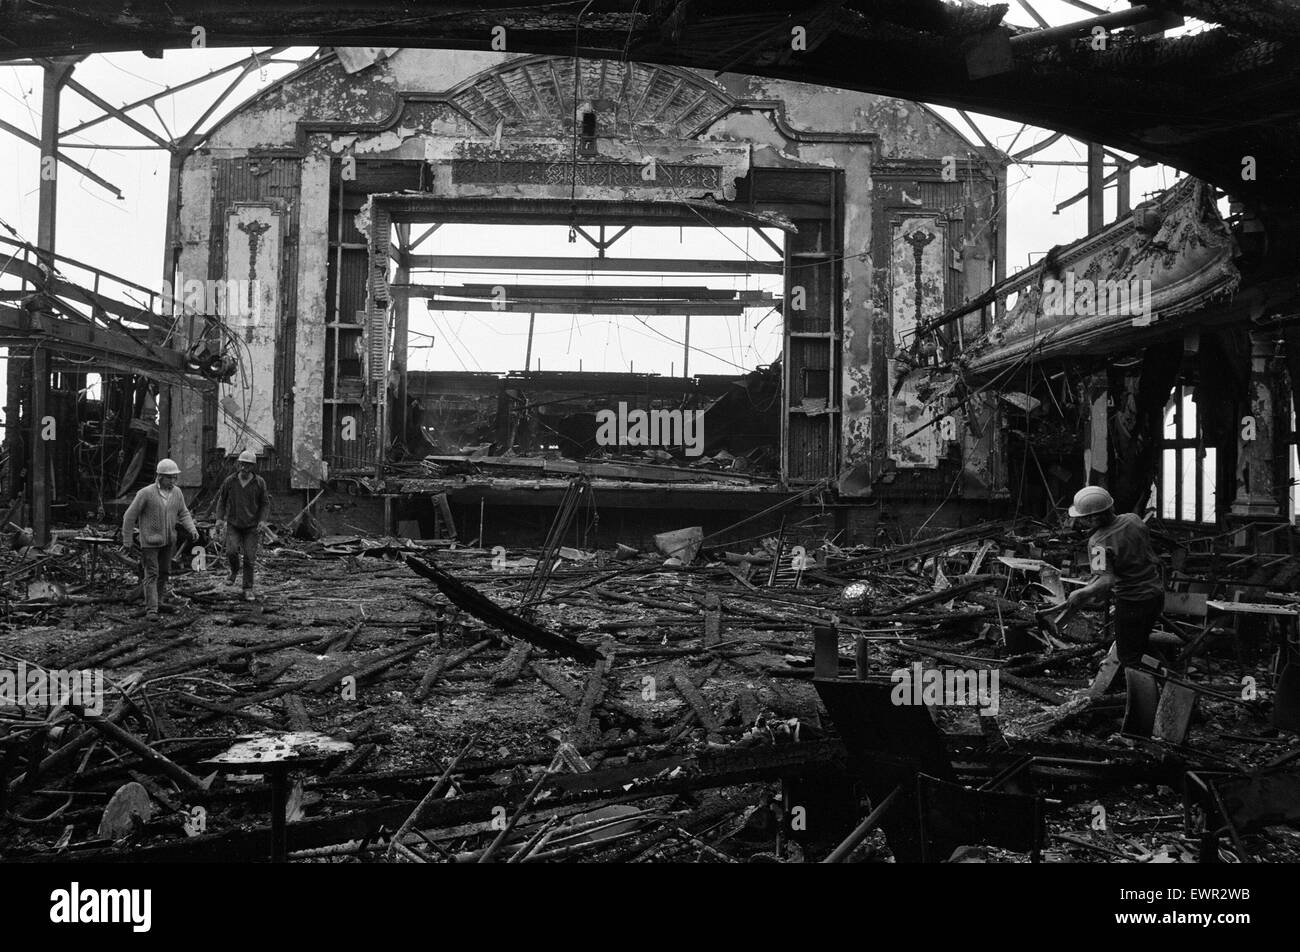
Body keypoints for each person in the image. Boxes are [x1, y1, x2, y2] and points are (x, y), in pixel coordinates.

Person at [1041, 485, 1165, 671]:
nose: (1082, 522)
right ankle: (1168, 673)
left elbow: (1107, 580)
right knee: (1141, 640)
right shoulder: (1134, 519)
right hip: (1156, 594)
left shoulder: (1098, 543)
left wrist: (1081, 592)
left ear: (1094, 517)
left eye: (1083, 518)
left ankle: (1142, 695)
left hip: (1133, 600)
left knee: (1128, 656)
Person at [122, 458, 198, 618]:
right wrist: (127, 540)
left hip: (169, 541)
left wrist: (192, 528)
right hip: (149, 542)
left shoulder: (176, 492)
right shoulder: (146, 493)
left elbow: (183, 512)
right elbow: (129, 516)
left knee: (164, 572)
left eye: (175, 477)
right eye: (170, 477)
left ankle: (158, 601)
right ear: (160, 476)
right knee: (151, 574)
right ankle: (151, 609)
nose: (173, 480)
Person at [215, 449, 270, 602]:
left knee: (250, 558)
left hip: (252, 526)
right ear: (238, 464)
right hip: (233, 524)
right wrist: (219, 518)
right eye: (242, 464)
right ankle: (233, 571)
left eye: (248, 465)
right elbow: (222, 500)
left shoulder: (259, 482)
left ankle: (247, 588)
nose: (244, 468)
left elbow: (265, 504)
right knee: (231, 552)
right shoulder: (230, 481)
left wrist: (262, 520)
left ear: (253, 467)